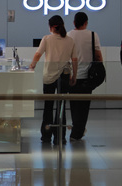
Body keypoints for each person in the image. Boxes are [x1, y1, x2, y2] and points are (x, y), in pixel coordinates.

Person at [30, 15, 78, 145]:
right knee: (61, 106)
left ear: (51, 27)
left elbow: (38, 54)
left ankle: (46, 136)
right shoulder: (70, 40)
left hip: (49, 76)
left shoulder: (47, 39)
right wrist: (74, 76)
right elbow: (74, 60)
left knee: (48, 107)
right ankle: (60, 137)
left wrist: (32, 65)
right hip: (64, 75)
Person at [67, 12, 103, 141]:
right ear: (86, 22)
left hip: (72, 75)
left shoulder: (69, 35)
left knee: (74, 104)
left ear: (74, 23)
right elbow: (98, 56)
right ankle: (77, 132)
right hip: (88, 76)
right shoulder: (93, 35)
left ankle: (77, 129)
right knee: (84, 106)